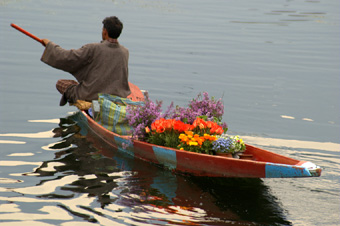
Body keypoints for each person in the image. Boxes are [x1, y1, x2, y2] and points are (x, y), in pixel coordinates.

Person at [40, 16, 131, 106]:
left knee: (61, 83)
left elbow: (68, 57)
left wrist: (50, 46)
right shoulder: (125, 52)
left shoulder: (93, 48)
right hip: (117, 98)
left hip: (91, 96)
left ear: (105, 31)